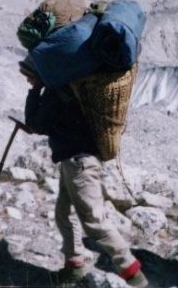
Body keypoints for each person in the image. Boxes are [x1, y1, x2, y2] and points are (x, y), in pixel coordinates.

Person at [21, 62, 148, 288]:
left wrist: (34, 91)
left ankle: (134, 275)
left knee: (94, 221)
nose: (28, 80)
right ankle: (74, 265)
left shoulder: (55, 92)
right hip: (76, 161)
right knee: (64, 212)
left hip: (78, 163)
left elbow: (36, 124)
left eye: (30, 76)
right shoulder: (68, 87)